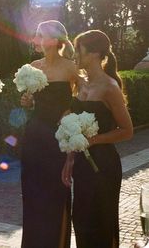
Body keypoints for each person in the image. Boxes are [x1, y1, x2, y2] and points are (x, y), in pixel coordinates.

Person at [62, 30, 133, 248]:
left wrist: (93, 140)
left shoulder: (110, 87)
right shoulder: (80, 84)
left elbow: (127, 130)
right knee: (81, 221)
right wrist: (70, 159)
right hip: (83, 165)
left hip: (103, 165)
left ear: (93, 53)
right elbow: (74, 127)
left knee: (99, 224)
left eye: (79, 50)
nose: (75, 55)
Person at [20, 20, 77, 248]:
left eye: (40, 35)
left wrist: (71, 111)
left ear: (54, 40)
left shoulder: (71, 67)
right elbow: (31, 102)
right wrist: (27, 101)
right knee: (33, 197)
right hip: (34, 137)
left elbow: (83, 99)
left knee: (56, 194)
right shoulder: (34, 66)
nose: (36, 39)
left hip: (59, 141)